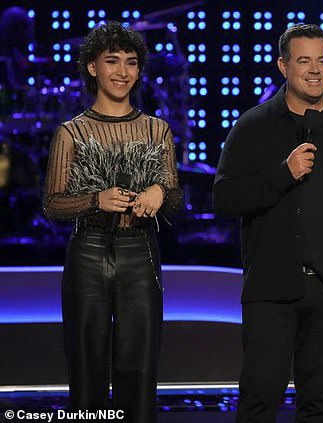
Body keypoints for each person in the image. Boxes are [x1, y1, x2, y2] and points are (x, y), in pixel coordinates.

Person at [213, 24, 323, 422]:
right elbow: (224, 198)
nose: (315, 70)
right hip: (272, 292)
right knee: (259, 401)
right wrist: (283, 174)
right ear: (283, 66)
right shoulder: (253, 126)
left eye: (322, 60)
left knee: (318, 406)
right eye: (304, 60)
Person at [42, 21, 181, 422]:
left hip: (140, 253)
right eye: (112, 61)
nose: (122, 72)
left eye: (131, 63)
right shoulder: (72, 133)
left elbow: (174, 201)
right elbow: (52, 205)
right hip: (87, 253)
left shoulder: (158, 130)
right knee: (86, 371)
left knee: (138, 370)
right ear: (92, 68)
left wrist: (160, 193)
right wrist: (95, 199)